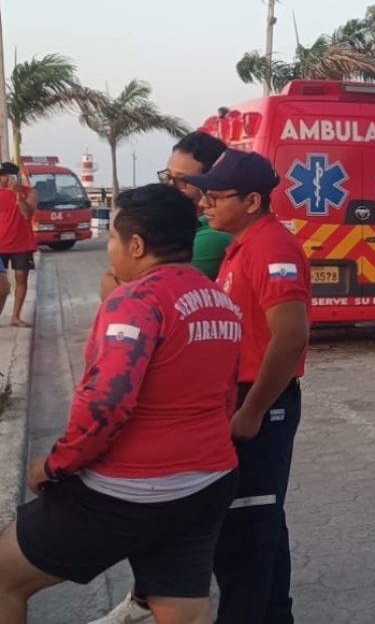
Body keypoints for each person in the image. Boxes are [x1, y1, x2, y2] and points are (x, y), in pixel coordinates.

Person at [0, 184, 241, 624]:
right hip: (207, 481)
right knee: (182, 611)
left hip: (126, 492)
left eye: (111, 238)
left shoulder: (136, 300)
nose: (108, 248)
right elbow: (226, 396)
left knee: (3, 578)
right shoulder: (220, 302)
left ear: (136, 244)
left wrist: (54, 466)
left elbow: (106, 404)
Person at [93, 132, 235, 624]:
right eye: (167, 177)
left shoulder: (206, 241)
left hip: (185, 443)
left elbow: (125, 290)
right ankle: (145, 597)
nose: (173, 186)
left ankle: (151, 599)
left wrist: (59, 464)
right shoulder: (194, 241)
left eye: (182, 179)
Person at [186, 149, 312, 623]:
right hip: (242, 397)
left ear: (254, 200)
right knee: (259, 520)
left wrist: (254, 410)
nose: (205, 204)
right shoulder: (241, 245)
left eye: (216, 196)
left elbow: (291, 334)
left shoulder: (271, 248)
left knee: (245, 530)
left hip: (262, 400)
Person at [0, 162, 38, 328]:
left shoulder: (30, 193)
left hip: (22, 244)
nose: (2, 179)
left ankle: (15, 316)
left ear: (12, 176)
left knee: (21, 278)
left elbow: (27, 214)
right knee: (2, 285)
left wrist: (18, 196)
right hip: (1, 243)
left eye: (4, 175)